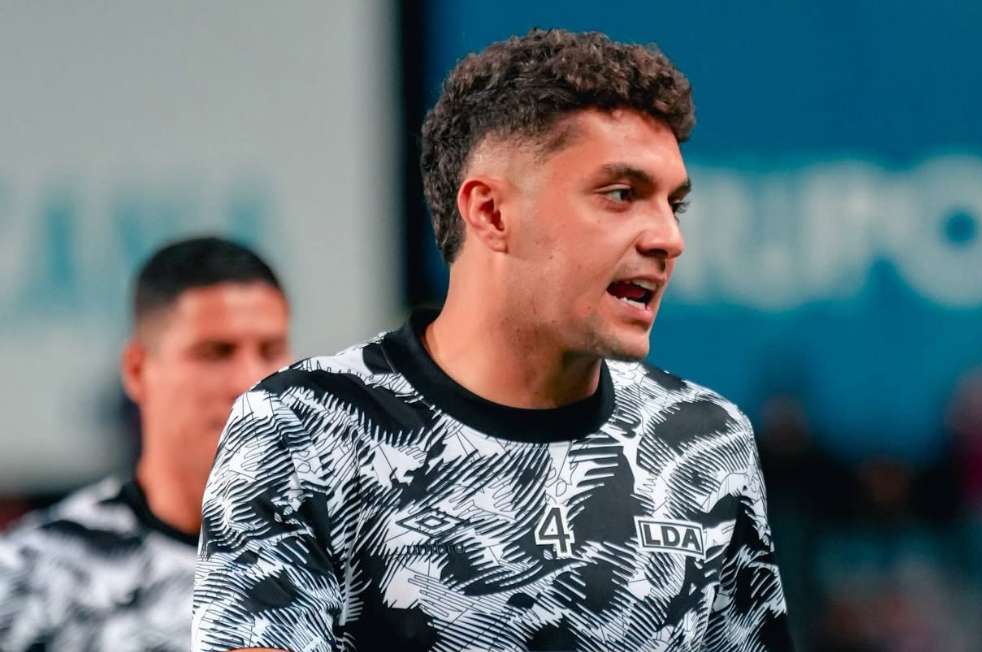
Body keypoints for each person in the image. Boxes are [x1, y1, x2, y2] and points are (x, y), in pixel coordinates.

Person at [192, 28, 792, 652]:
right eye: (622, 194)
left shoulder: (707, 441)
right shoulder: (302, 428)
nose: (669, 238)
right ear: (491, 213)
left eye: (674, 205)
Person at [0, 236, 292, 652]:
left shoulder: (360, 559)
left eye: (270, 350)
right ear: (137, 370)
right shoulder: (35, 575)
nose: (250, 382)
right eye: (215, 353)